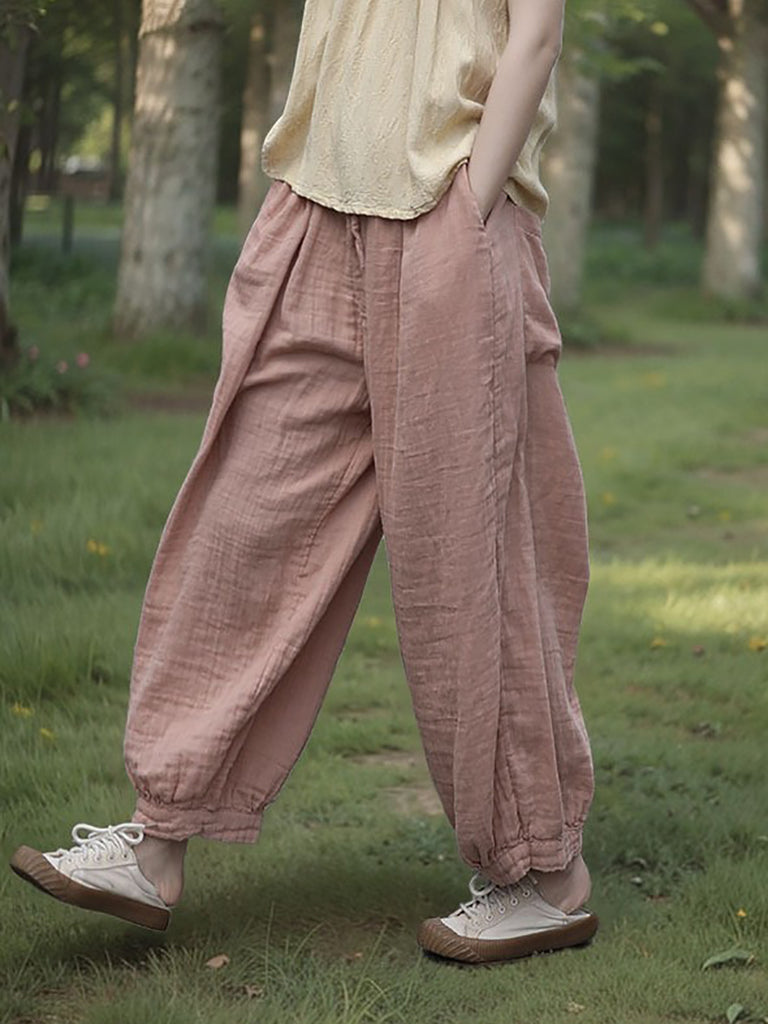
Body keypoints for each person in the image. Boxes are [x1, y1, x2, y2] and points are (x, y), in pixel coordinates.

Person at [10, 0, 598, 965]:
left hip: (450, 214)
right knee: (244, 517)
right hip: (316, 207)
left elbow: (535, 35)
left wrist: (470, 205)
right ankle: (157, 841)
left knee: (471, 560)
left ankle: (544, 873)